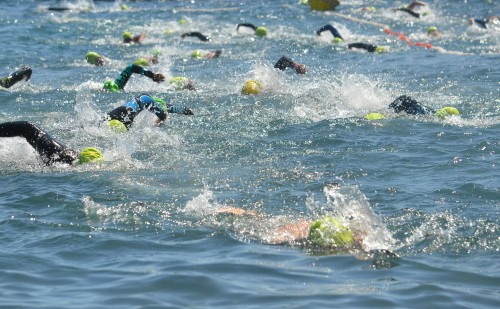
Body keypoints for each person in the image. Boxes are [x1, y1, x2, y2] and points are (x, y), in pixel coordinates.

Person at [214, 206, 362, 249]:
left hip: (303, 228)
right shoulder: (289, 236)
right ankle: (242, 212)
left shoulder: (352, 236)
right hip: (292, 232)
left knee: (265, 225)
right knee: (260, 234)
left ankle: (250, 214)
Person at [0, 121, 103, 166]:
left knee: (27, 126)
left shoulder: (66, 159)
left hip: (59, 152)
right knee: (27, 128)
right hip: (55, 153)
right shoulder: (64, 161)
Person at [104, 94, 193, 132]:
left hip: (116, 112)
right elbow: (162, 116)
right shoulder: (149, 100)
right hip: (127, 114)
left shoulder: (141, 100)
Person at [364, 95, 460, 120]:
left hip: (409, 103)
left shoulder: (433, 113)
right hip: (406, 102)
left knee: (389, 113)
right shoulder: (431, 115)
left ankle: (384, 113)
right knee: (389, 112)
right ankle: (384, 112)